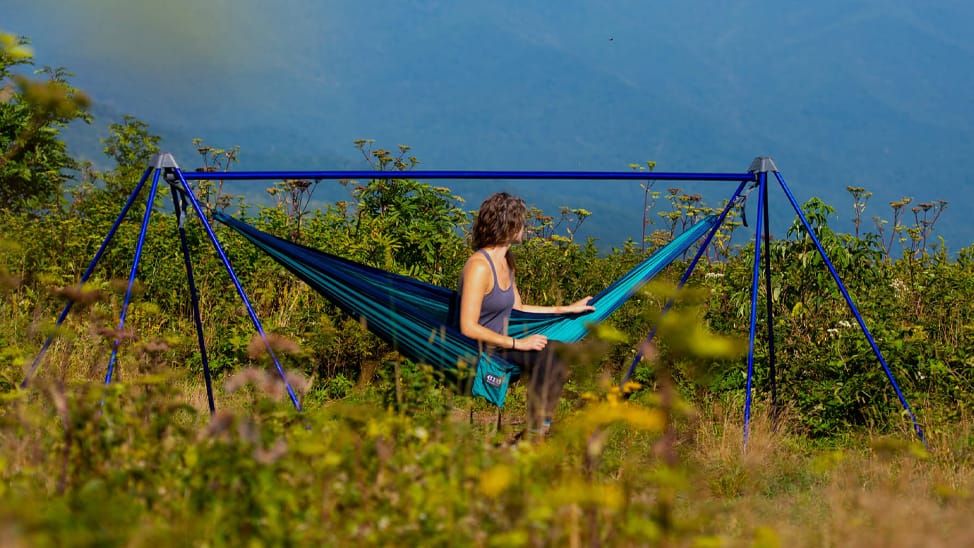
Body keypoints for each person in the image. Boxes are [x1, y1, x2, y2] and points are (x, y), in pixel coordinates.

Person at [457, 192, 594, 437]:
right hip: (476, 350)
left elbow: (518, 308)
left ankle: (537, 429)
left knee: (555, 352)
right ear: (507, 225)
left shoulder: (506, 261)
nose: (525, 227)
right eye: (520, 221)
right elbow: (468, 326)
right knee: (547, 355)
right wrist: (518, 343)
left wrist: (567, 308)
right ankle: (534, 433)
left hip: (500, 345)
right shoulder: (479, 266)